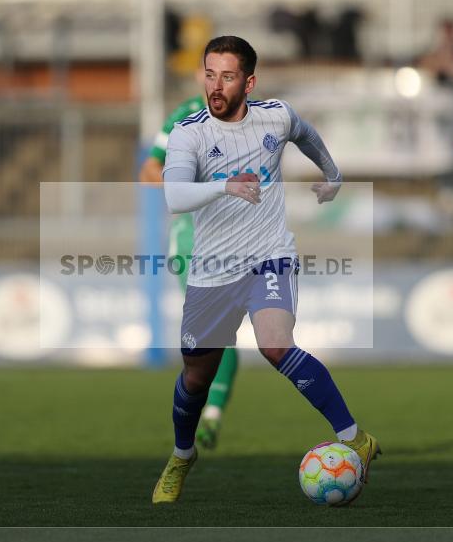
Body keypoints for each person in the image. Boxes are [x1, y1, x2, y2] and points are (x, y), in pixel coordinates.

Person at [152, 35, 381, 504]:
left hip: (269, 255)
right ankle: (182, 455)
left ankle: (356, 437)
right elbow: (175, 196)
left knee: (275, 344)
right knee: (196, 376)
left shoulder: (275, 116)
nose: (215, 86)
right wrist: (224, 187)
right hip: (213, 268)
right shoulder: (189, 132)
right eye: (210, 74)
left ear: (249, 82)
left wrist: (332, 173)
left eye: (227, 76)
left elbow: (306, 134)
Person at [140, 75, 240, 451]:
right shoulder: (185, 116)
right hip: (191, 239)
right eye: (211, 72)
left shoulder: (252, 117)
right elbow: (148, 170)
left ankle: (210, 414)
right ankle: (208, 412)